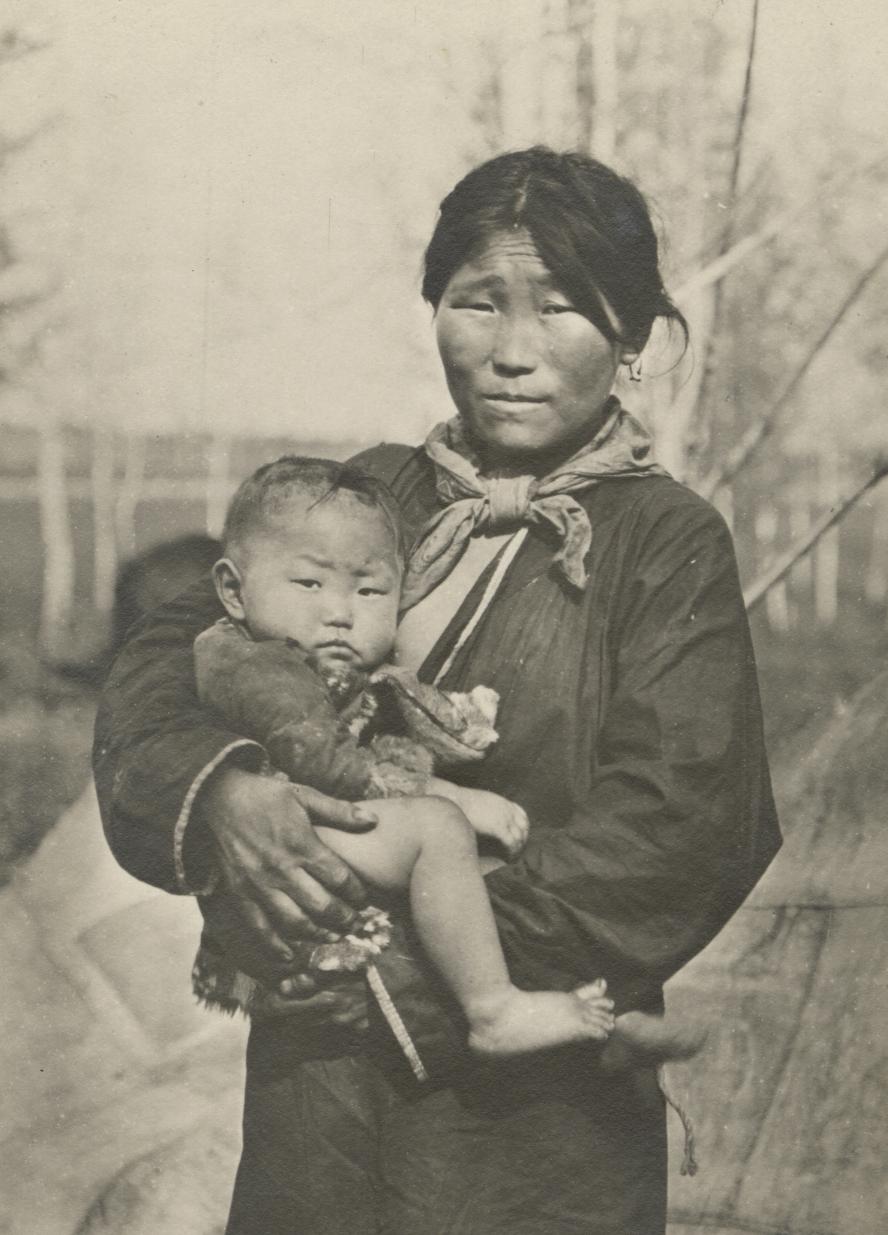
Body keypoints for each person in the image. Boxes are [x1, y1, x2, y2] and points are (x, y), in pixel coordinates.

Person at [94, 146, 781, 1234]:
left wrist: (369, 955)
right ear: (434, 311)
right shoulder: (366, 496)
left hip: (531, 1131)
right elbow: (159, 668)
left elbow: (683, 825)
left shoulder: (666, 544)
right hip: (316, 1106)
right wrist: (221, 792)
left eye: (559, 309)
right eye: (477, 302)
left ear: (635, 337)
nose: (511, 351)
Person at [192, 452, 698, 1067]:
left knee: (475, 884)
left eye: (371, 590)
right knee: (439, 831)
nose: (341, 612)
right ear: (232, 591)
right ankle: (493, 1012)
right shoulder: (257, 668)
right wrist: (453, 796)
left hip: (323, 828)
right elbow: (322, 761)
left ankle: (586, 1021)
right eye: (309, 584)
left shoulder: (298, 652)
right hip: (294, 833)